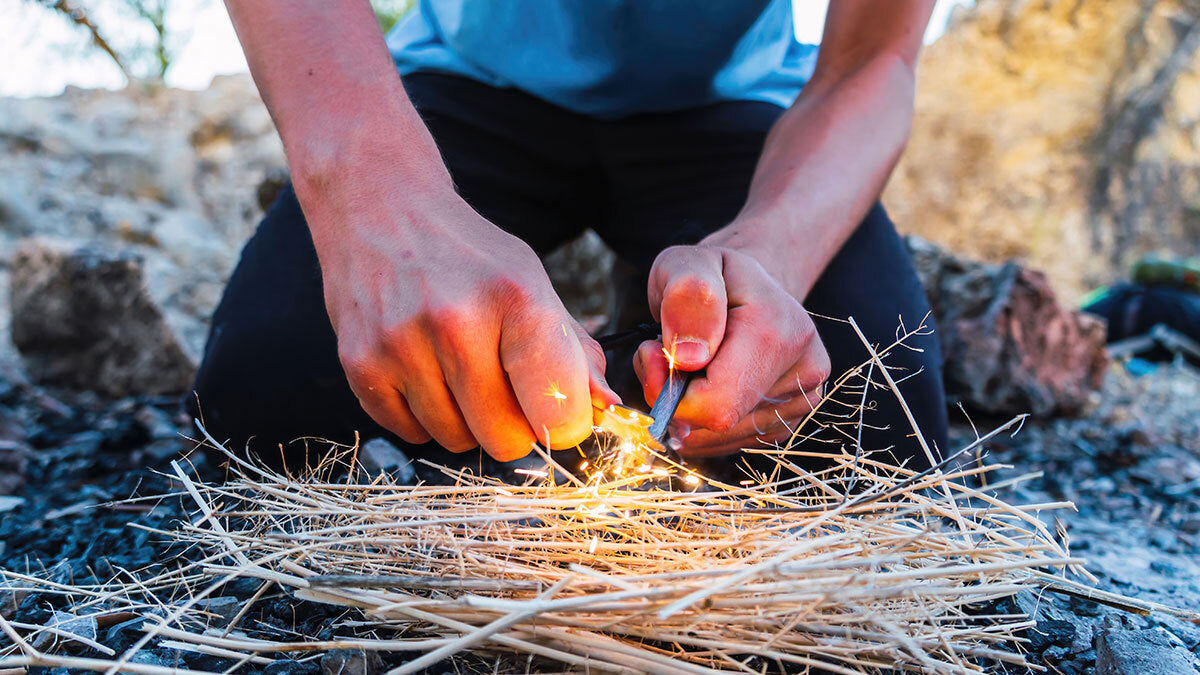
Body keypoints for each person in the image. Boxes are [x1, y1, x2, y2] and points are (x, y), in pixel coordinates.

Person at [191, 0, 949, 473]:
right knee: (270, 393)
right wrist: (377, 202)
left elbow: (874, 59)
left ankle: (642, 341)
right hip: (465, 86)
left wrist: (767, 257)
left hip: (728, 104)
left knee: (872, 416)